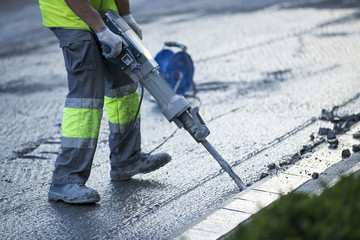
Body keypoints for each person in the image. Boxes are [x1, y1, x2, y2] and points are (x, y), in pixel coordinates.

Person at [39, 0, 171, 204]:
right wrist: (100, 29)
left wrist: (126, 16)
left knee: (123, 84)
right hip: (70, 15)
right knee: (86, 97)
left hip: (104, 10)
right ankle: (66, 180)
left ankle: (126, 160)